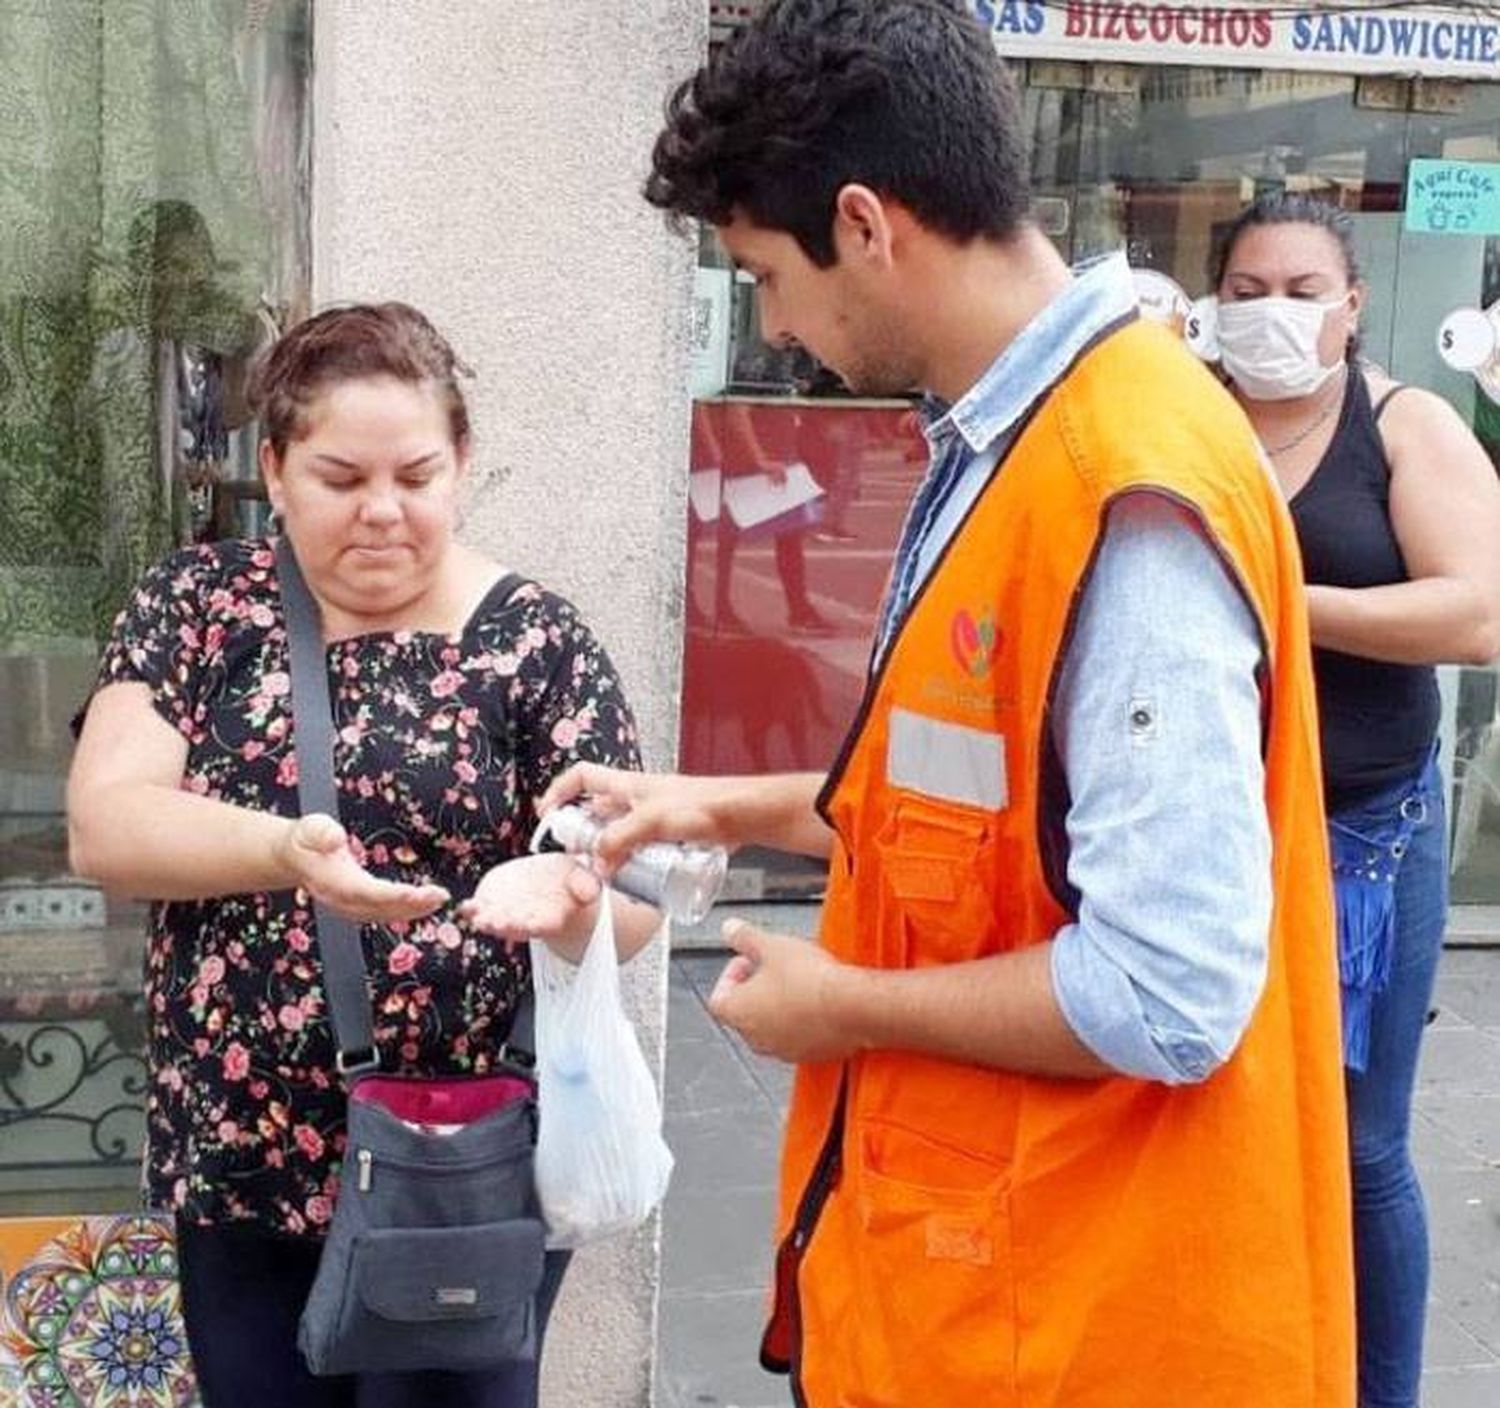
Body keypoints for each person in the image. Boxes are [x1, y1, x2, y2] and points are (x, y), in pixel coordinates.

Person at [545, 3, 1356, 1404]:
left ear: (865, 224)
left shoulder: (1125, 478)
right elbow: (979, 805)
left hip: (1086, 1324)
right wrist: (719, 802)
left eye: (763, 275)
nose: (777, 328)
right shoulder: (1015, 433)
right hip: (984, 1298)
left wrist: (840, 1004)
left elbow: (1169, 992)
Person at [67, 302, 659, 1408]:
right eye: (341, 479)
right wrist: (286, 847)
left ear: (462, 464)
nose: (382, 512)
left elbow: (630, 887)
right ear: (277, 467)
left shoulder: (537, 641)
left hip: (463, 1161)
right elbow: (107, 822)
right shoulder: (196, 607)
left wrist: (569, 898)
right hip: (243, 1155)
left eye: (417, 476)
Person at [1211, 193, 1500, 1408]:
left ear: (1353, 304)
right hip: (1212, 827)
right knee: (1214, 1132)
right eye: (1249, 290)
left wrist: (1284, 596)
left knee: (1361, 1144)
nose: (1273, 312)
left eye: (1301, 290)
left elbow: (1475, 614)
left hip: (1362, 836)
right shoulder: (1187, 415)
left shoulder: (1403, 423)